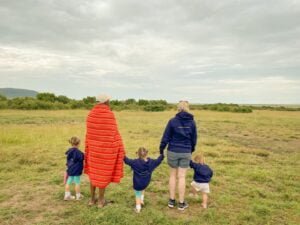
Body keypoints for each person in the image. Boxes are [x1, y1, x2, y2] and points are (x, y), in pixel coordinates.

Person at [84, 94, 125, 208]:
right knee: (102, 175)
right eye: (109, 100)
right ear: (106, 101)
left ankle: (92, 200)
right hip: (105, 152)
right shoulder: (109, 115)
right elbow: (113, 134)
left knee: (93, 175)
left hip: (93, 150)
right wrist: (120, 147)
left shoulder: (90, 115)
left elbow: (89, 135)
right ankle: (101, 201)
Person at [160, 100, 197, 211]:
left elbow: (165, 137)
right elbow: (194, 139)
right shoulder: (192, 123)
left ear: (178, 108)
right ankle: (181, 203)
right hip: (186, 151)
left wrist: (161, 149)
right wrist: (191, 150)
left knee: (172, 175)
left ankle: (171, 201)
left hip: (173, 151)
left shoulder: (172, 121)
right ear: (187, 108)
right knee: (182, 177)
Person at [124, 147, 164, 213]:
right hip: (146, 182)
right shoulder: (151, 162)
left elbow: (127, 160)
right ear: (147, 153)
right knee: (142, 188)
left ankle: (138, 208)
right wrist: (162, 155)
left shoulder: (135, 162)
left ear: (137, 154)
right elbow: (158, 161)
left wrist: (122, 154)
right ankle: (141, 200)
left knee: (137, 194)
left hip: (137, 183)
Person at [64, 136, 84, 201]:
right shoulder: (78, 152)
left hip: (70, 169)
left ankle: (67, 195)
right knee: (77, 182)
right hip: (76, 170)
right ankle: (78, 196)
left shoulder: (69, 151)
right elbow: (82, 157)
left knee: (68, 181)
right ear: (78, 144)